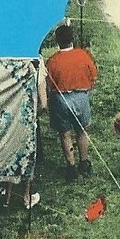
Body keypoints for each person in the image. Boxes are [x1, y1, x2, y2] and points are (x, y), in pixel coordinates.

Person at [45, 23, 98, 180]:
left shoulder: (53, 60)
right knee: (81, 131)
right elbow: (93, 75)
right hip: (81, 97)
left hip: (61, 99)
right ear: (72, 39)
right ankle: (84, 163)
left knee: (65, 134)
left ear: (58, 41)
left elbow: (49, 84)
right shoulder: (83, 55)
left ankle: (71, 167)